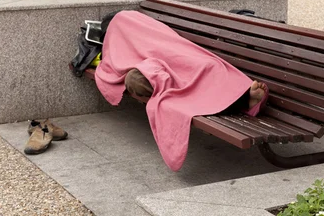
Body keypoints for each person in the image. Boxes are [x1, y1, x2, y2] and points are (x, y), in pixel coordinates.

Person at [94, 11, 270, 171]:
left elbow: (117, 61)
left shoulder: (127, 21)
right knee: (192, 72)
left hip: (173, 54)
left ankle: (243, 96)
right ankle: (242, 99)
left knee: (203, 66)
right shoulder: (123, 24)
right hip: (157, 64)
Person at [124, 68, 268, 115]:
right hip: (157, 75)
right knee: (133, 79)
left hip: (174, 67)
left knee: (206, 74)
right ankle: (243, 99)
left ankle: (242, 96)